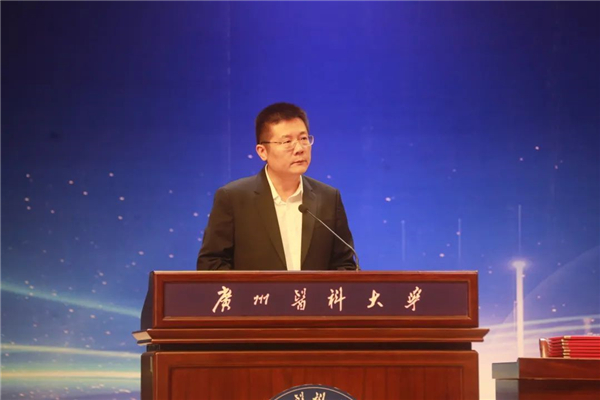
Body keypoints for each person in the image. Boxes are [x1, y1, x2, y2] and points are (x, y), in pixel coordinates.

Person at [197, 102, 357, 271]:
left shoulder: (329, 198)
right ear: (262, 151)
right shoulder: (233, 198)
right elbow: (212, 263)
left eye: (303, 139)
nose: (299, 149)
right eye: (287, 141)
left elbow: (344, 264)